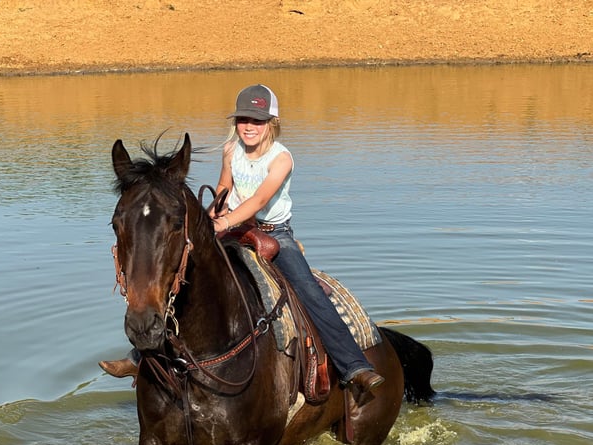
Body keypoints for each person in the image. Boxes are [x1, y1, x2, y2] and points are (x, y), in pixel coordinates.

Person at [100, 84, 384, 394]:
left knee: (309, 292)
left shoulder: (281, 158)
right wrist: (204, 220)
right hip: (230, 228)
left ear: (271, 123)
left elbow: (260, 200)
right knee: (178, 279)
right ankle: (141, 355)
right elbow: (223, 188)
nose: (249, 127)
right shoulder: (230, 150)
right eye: (243, 120)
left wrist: (223, 223)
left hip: (273, 234)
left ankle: (353, 364)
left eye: (257, 121)